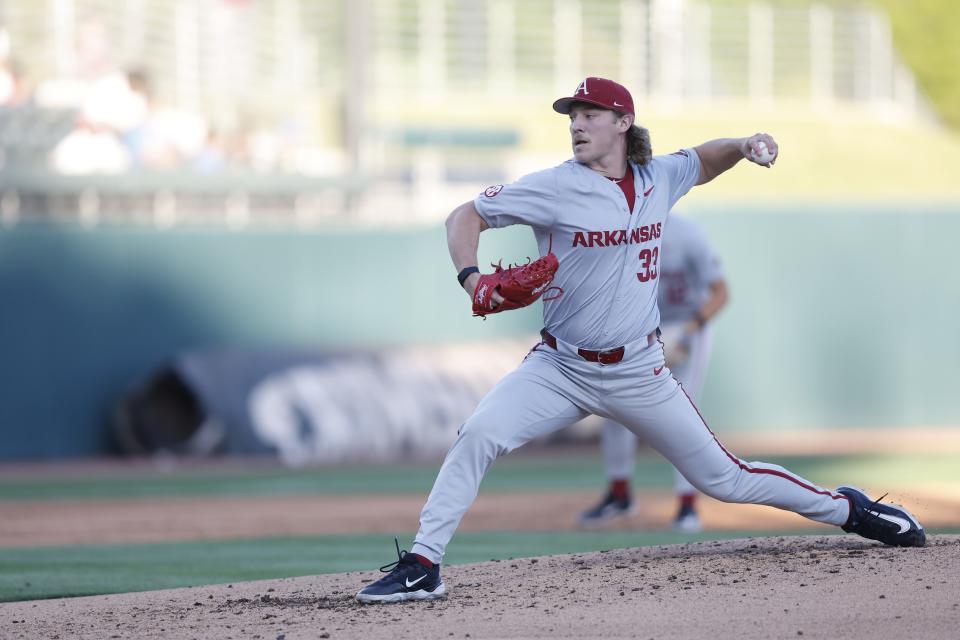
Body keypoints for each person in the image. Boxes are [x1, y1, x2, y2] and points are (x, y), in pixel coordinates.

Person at [355, 77, 925, 604]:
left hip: (640, 371)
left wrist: (746, 144)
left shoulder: (658, 178)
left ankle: (849, 509)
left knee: (724, 479)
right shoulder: (553, 186)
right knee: (479, 432)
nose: (576, 123)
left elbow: (704, 158)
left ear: (622, 121)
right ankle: (425, 563)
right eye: (571, 115)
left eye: (589, 113)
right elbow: (464, 216)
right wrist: (472, 279)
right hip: (561, 368)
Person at [578, 213, 728, 533]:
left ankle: (688, 505)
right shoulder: (621, 233)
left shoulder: (688, 232)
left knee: (683, 413)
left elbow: (720, 293)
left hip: (688, 327)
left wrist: (689, 331)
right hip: (642, 330)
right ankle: (619, 495)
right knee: (614, 406)